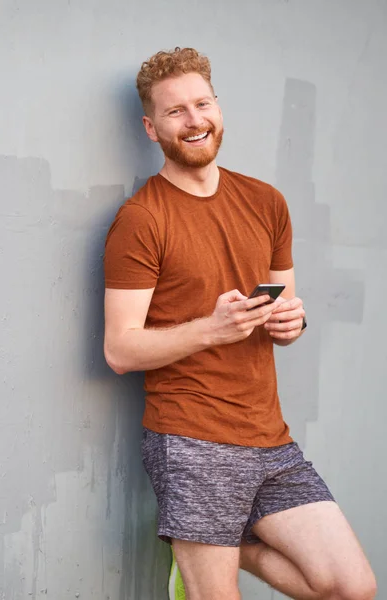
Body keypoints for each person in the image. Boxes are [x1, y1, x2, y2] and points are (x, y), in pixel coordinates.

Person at [103, 47, 376, 600]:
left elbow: (287, 314)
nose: (194, 119)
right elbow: (120, 350)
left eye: (202, 103)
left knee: (352, 587)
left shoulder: (266, 202)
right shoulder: (142, 220)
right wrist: (212, 328)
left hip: (269, 438)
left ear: (218, 108)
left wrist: (291, 322)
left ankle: (210, 542)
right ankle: (200, 542)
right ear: (151, 128)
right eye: (175, 111)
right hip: (191, 438)